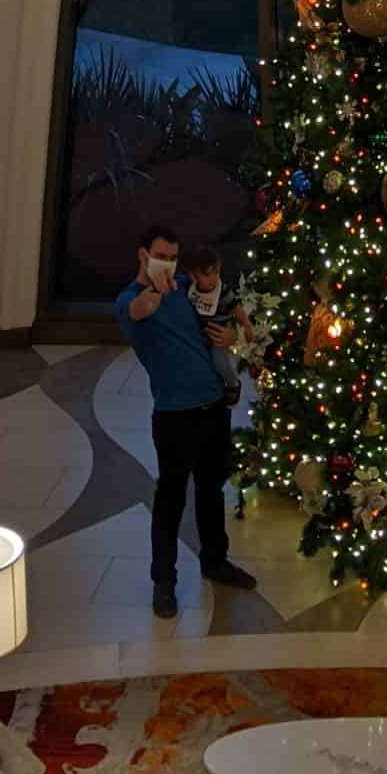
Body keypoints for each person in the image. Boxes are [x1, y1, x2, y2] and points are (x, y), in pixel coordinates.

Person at [115, 222, 257, 618]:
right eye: (161, 256)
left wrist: (233, 340)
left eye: (174, 258)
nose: (168, 264)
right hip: (174, 416)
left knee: (211, 490)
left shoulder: (186, 293)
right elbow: (136, 310)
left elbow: (220, 323)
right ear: (143, 255)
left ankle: (216, 560)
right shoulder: (132, 300)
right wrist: (151, 296)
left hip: (213, 407)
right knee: (171, 498)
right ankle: (164, 581)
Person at [182, 245, 250, 405]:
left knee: (219, 362)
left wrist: (246, 324)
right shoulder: (191, 291)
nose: (214, 279)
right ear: (193, 276)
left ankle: (233, 382)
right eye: (207, 275)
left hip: (218, 336)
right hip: (201, 334)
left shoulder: (223, 291)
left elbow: (236, 308)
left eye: (217, 273)